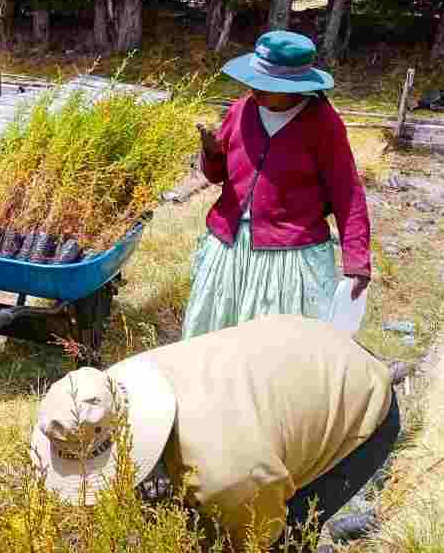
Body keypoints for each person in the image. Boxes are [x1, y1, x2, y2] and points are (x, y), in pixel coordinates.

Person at [31, 314, 399, 551]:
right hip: (299, 341)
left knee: (284, 540)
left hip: (358, 396)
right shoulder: (120, 386)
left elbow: (257, 538)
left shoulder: (226, 474)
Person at [183, 30, 371, 340]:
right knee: (215, 340)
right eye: (254, 82)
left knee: (272, 347)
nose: (256, 91)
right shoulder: (242, 110)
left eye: (267, 86)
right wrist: (213, 153)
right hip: (228, 246)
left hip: (287, 255)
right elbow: (218, 177)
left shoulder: (323, 123)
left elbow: (347, 194)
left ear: (295, 86)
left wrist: (357, 261)